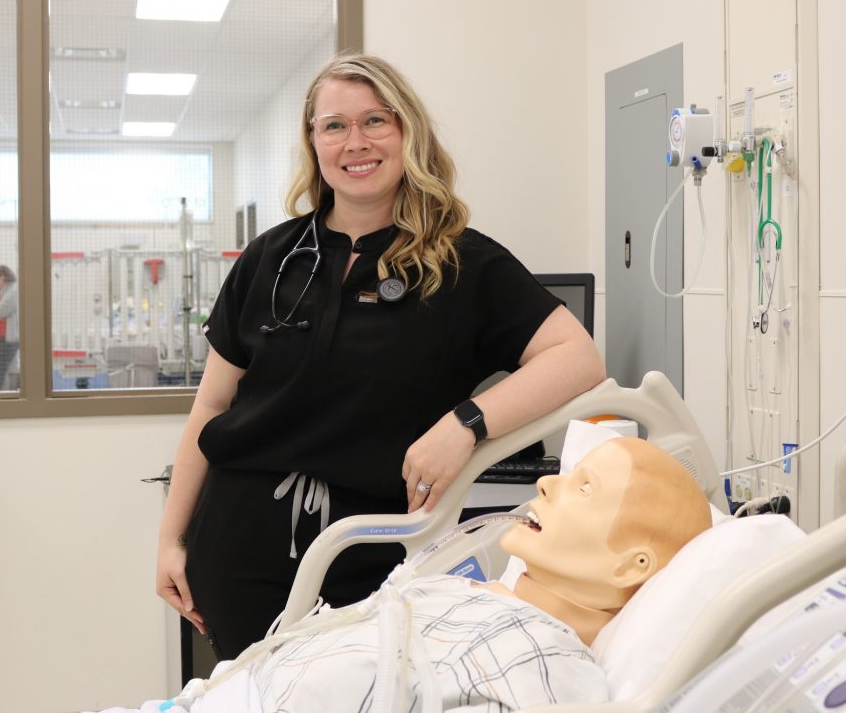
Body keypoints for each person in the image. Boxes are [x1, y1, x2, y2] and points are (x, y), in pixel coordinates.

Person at [156, 52, 607, 661]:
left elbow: (576, 357)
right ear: (313, 142)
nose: (355, 141)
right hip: (238, 548)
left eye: (376, 120)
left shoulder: (461, 263)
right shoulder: (271, 258)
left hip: (375, 556)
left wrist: (465, 426)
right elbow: (212, 404)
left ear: (406, 132)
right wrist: (171, 539)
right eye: (334, 125)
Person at [100, 438, 712, 713]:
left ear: (630, 565)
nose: (549, 482)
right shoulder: (463, 590)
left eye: (585, 488)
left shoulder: (549, 667)